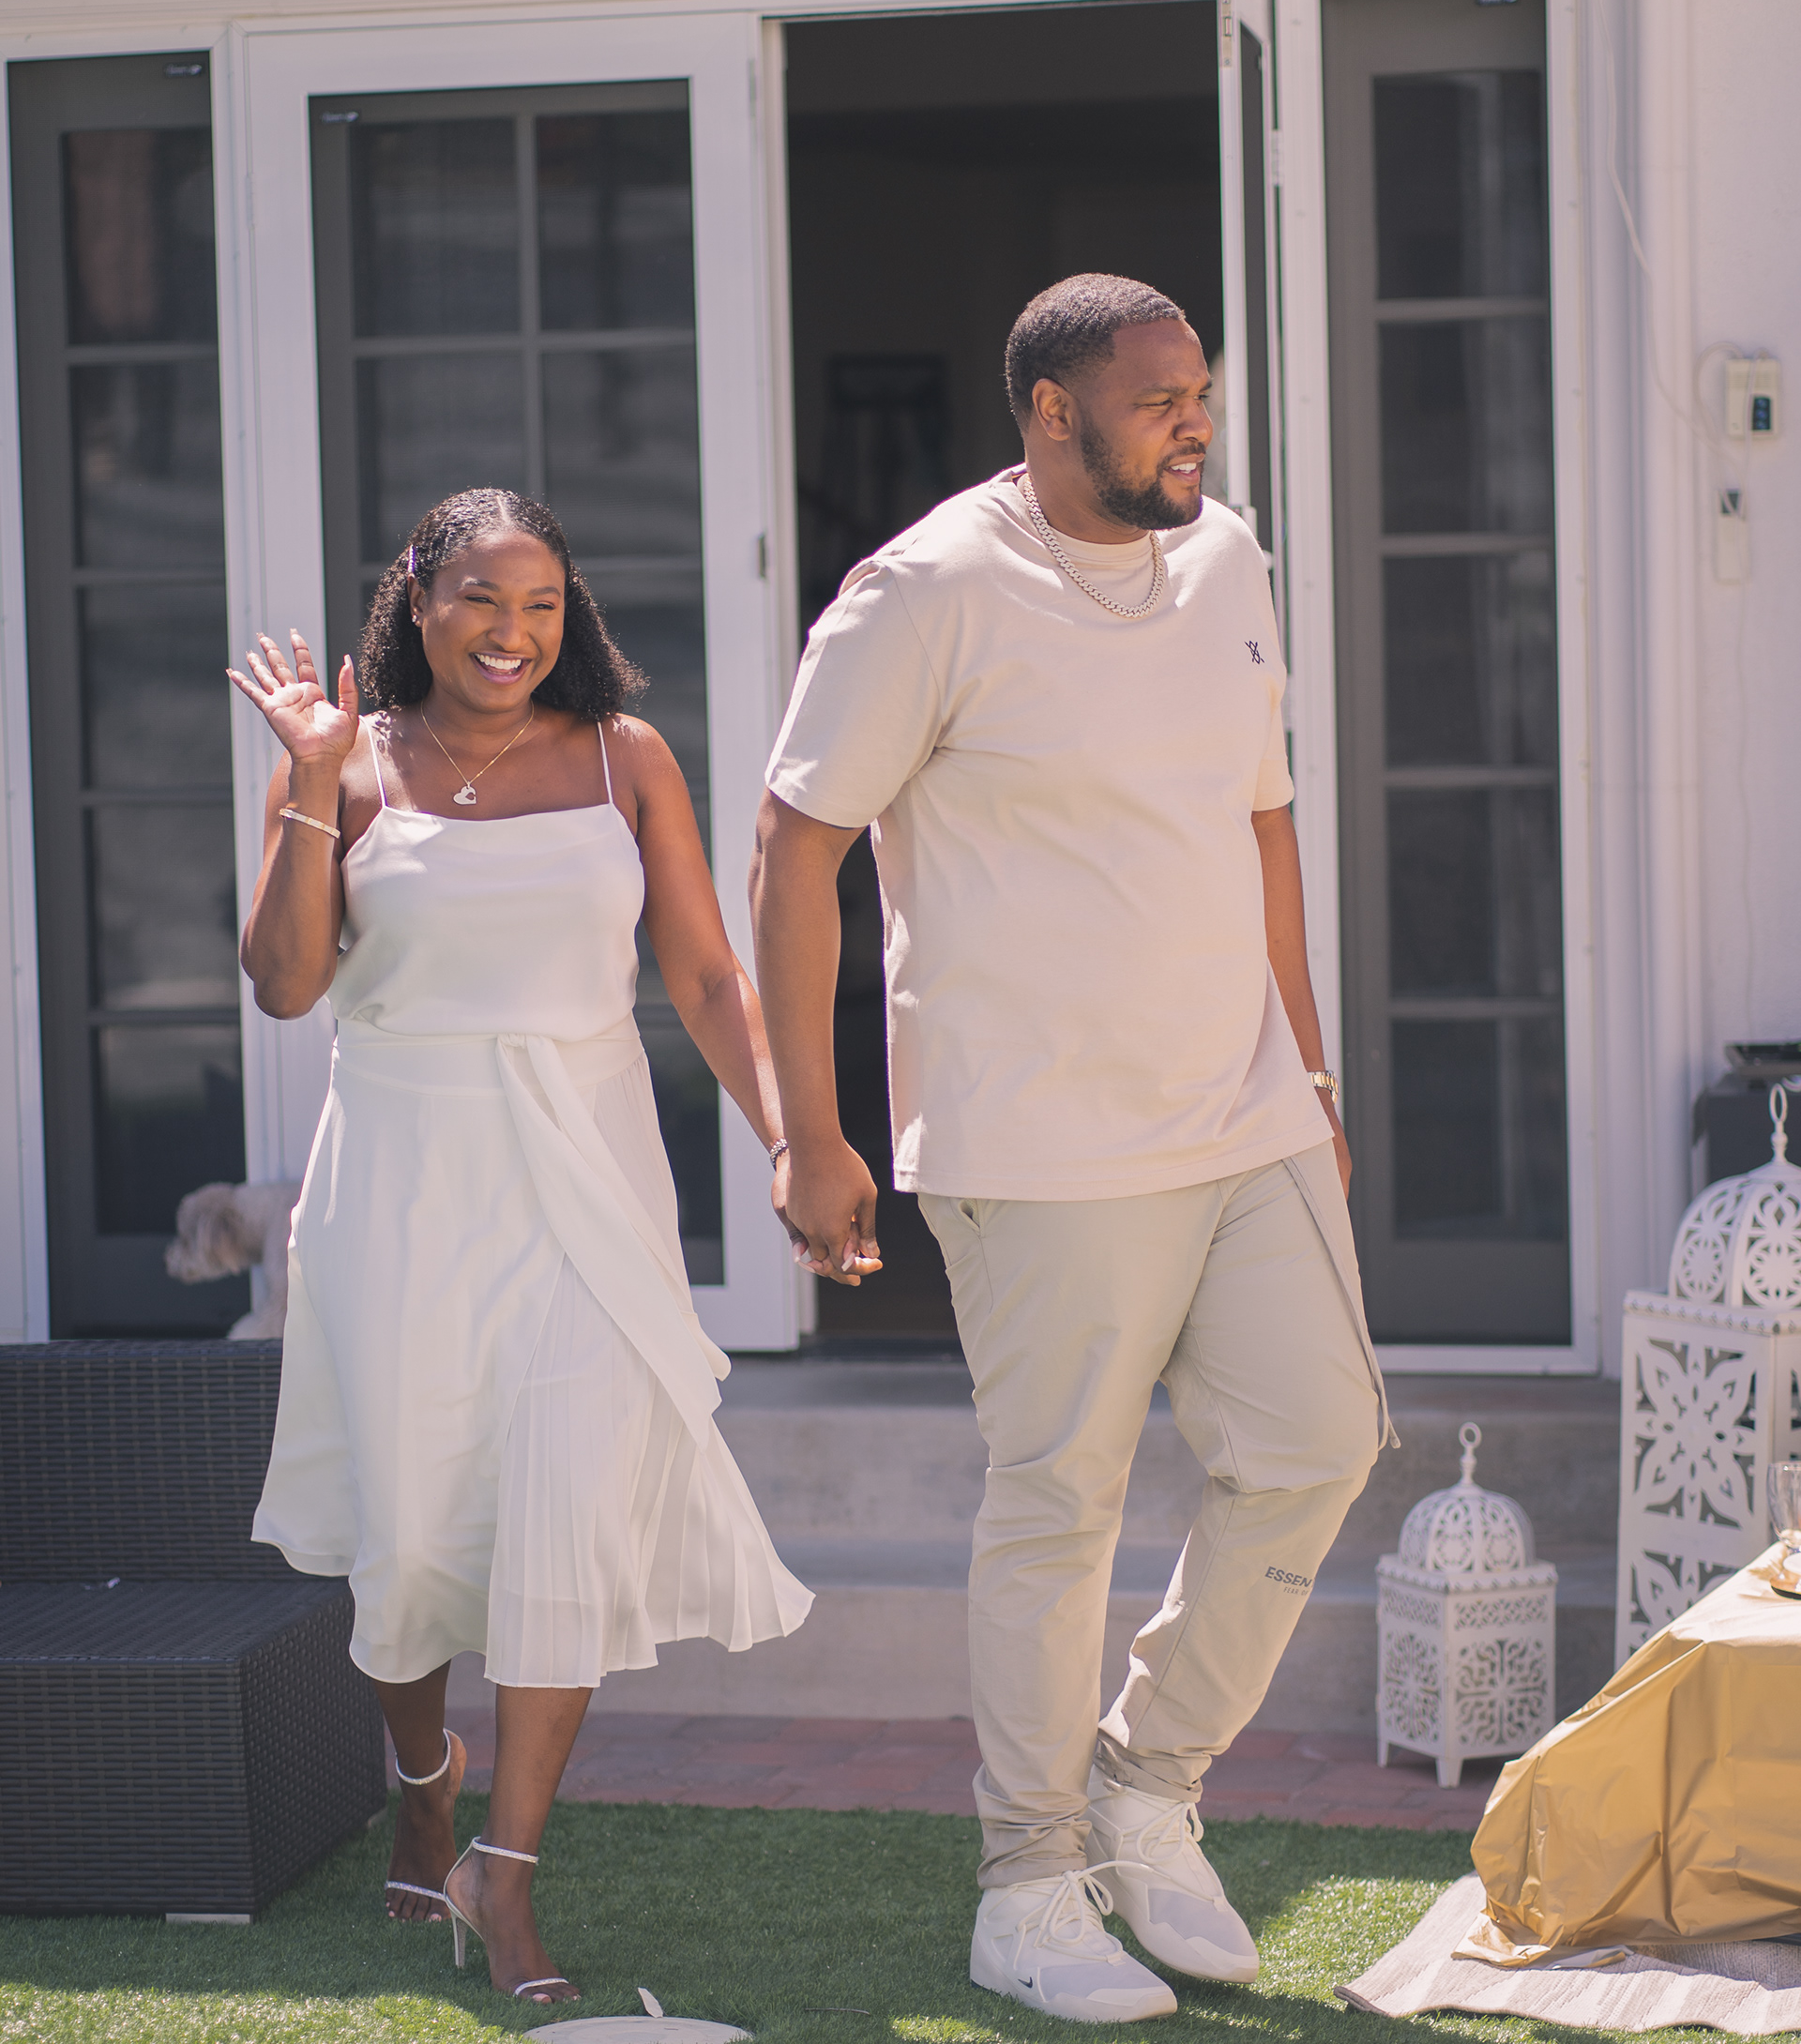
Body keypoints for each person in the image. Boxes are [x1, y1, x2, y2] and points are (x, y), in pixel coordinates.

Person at [749, 276, 1393, 2023]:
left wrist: (1311, 1076)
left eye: (1201, 394)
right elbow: (794, 850)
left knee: (1320, 1441)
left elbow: (1263, 823)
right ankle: (1027, 1886)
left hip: (1245, 1109)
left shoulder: (1227, 558)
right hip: (1035, 1137)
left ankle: (1145, 1783)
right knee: (1062, 1508)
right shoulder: (923, 594)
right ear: (1051, 410)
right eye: (1159, 398)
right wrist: (810, 1132)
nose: (1195, 423)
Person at [231, 487, 811, 2008]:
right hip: (404, 1183)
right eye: (483, 599)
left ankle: (507, 1866)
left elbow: (705, 973)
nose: (514, 632)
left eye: (543, 603)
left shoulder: (626, 757)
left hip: (586, 1170)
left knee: (565, 1504)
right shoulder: (346, 762)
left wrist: (792, 1139)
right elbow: (285, 984)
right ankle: (424, 1782)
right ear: (416, 600)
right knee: (414, 1536)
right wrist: (310, 781)